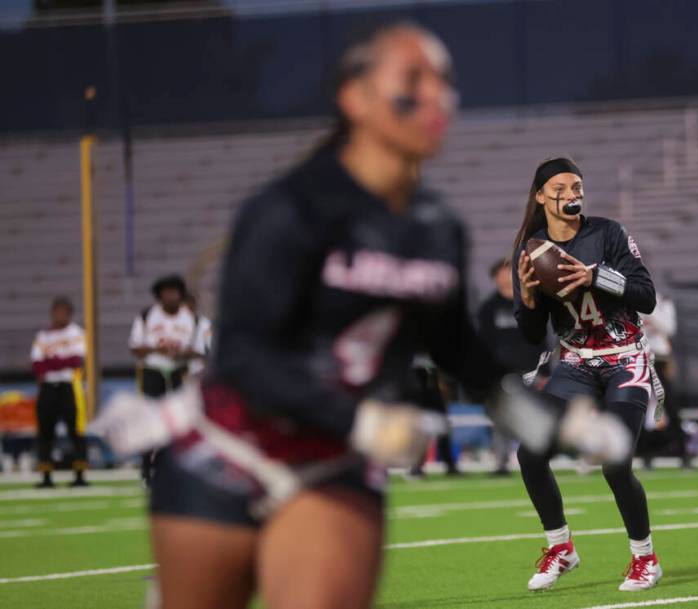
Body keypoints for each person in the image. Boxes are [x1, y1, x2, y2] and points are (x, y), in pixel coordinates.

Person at [91, 24, 628, 609]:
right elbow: (245, 360)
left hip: (334, 465)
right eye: (411, 83)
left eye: (445, 83)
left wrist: (556, 426)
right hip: (231, 448)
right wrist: (360, 422)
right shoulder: (286, 208)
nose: (435, 100)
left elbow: (463, 360)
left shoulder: (435, 226)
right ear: (355, 97)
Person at [513, 157, 665, 592]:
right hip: (576, 363)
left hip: (624, 359)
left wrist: (596, 276)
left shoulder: (608, 233)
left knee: (615, 461)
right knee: (530, 452)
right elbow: (528, 333)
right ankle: (560, 547)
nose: (571, 194)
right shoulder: (530, 250)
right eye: (560, 187)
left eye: (577, 186)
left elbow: (647, 297)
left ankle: (645, 558)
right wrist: (526, 298)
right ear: (541, 195)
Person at [477, 257, 548, 474]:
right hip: (501, 373)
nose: (504, 277)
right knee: (501, 420)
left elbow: (542, 336)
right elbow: (482, 341)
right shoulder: (488, 308)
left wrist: (545, 369)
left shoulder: (528, 302)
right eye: (499, 273)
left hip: (530, 370)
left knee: (536, 415)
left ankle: (538, 460)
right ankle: (501, 462)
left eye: (508, 272)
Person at [129, 274, 197, 483]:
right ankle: (146, 468)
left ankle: (175, 468)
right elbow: (135, 347)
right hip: (152, 371)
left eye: (174, 291)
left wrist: (181, 353)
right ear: (159, 295)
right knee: (150, 417)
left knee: (179, 420)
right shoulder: (147, 315)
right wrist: (157, 349)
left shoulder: (191, 317)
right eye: (166, 292)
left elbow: (199, 350)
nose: (170, 296)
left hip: (179, 371)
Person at [30, 297, 88, 488]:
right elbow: (37, 365)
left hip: (69, 387)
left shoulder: (76, 333)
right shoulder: (42, 336)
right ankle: (46, 476)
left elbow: (75, 361)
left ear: (69, 314)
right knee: (45, 432)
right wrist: (59, 362)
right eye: (57, 311)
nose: (60, 315)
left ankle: (80, 474)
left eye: (64, 311)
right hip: (47, 389)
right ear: (52, 312)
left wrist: (51, 362)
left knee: (76, 430)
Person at [637, 293, 691, 469]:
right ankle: (644, 454)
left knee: (670, 406)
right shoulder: (631, 299)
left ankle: (683, 453)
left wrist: (650, 312)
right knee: (640, 407)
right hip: (639, 358)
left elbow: (669, 328)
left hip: (660, 359)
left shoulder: (663, 302)